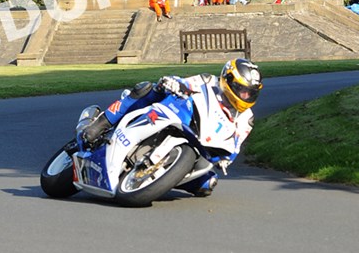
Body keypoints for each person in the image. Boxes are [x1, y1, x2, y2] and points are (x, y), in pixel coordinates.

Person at [81, 57, 263, 196]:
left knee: (207, 184)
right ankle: (101, 122)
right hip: (175, 114)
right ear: (228, 80)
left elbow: (236, 145)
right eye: (242, 90)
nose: (246, 95)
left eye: (251, 93)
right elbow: (186, 83)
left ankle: (153, 180)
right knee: (146, 89)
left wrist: (226, 159)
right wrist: (173, 82)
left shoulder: (246, 118)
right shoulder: (208, 81)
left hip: (200, 144)